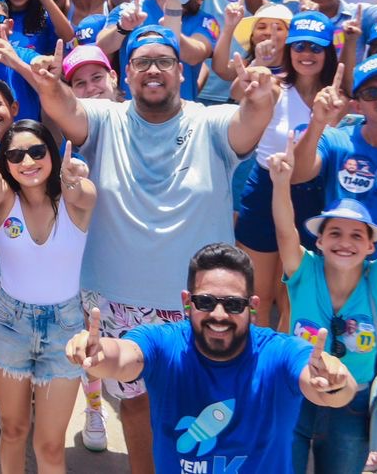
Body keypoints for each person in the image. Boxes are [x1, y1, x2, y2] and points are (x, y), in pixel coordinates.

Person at [24, 26, 282, 474]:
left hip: (202, 307)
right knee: (138, 412)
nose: (153, 70)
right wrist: (50, 88)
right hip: (117, 302)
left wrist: (260, 101)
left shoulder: (211, 121)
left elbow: (249, 123)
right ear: (128, 74)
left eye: (164, 60)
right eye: (142, 62)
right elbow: (68, 109)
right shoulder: (107, 117)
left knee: (210, 412)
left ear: (181, 73)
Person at [67, 242, 357, 474]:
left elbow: (328, 389)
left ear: (252, 307)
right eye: (205, 302)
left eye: (233, 304)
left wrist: (334, 383)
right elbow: (124, 357)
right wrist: (99, 353)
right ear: (186, 302)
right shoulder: (163, 342)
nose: (219, 315)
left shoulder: (279, 352)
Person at [268, 133, 377, 474]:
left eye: (357, 235)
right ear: (320, 240)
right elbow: (285, 231)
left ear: (371, 247)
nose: (345, 242)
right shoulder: (304, 269)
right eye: (336, 233)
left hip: (352, 404)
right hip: (295, 395)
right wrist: (281, 183)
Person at [0, 120, 96, 474]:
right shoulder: (2, 199)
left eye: (37, 151)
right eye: (15, 154)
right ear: (5, 162)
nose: (27, 161)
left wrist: (71, 177)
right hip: (9, 325)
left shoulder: (75, 197)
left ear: (51, 155)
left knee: (50, 445)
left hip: (65, 329)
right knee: (13, 430)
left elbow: (81, 193)